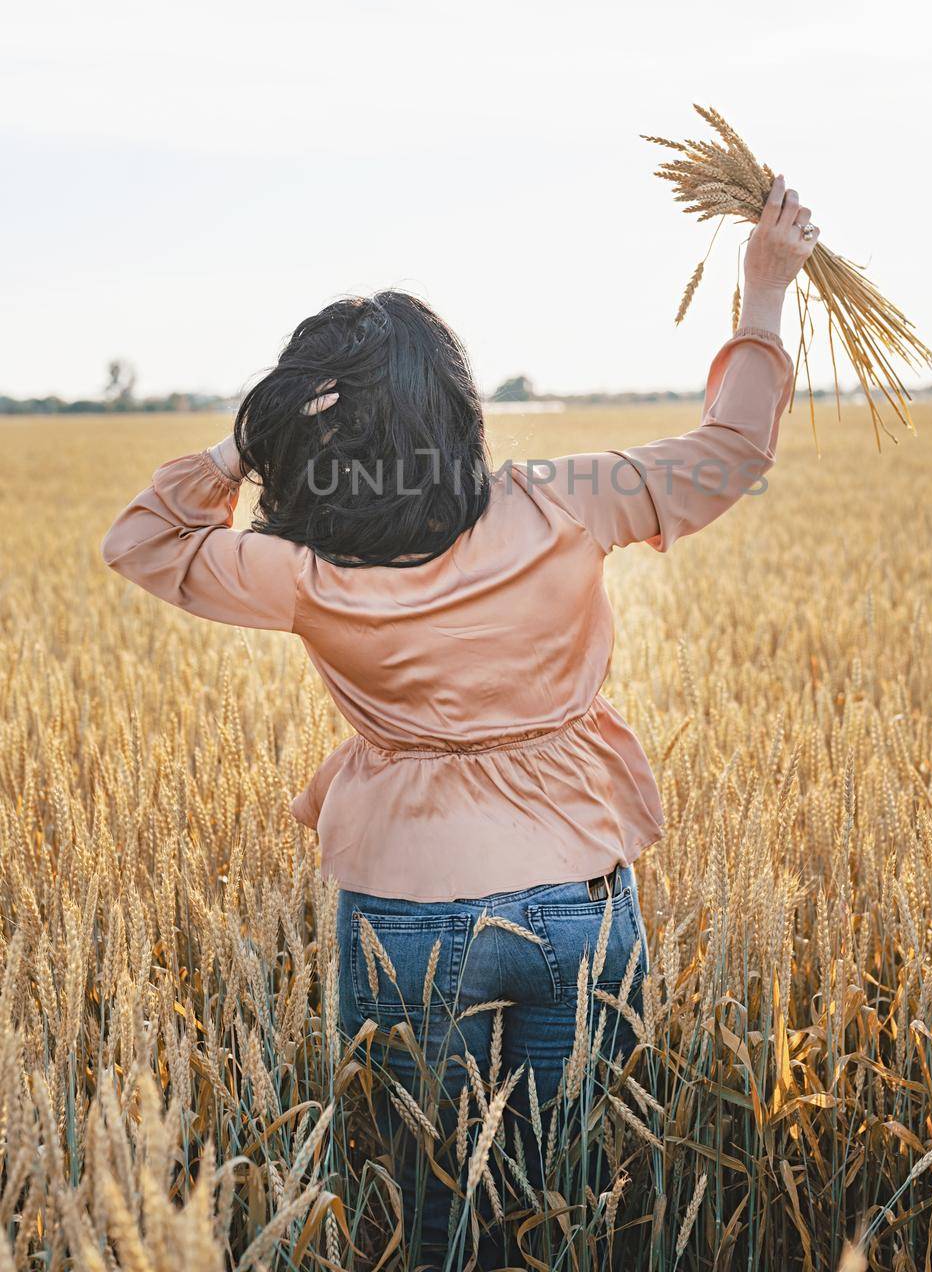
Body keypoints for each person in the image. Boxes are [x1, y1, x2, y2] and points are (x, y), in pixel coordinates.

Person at [101, 176, 817, 1259]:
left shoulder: (303, 571)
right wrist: (762, 293)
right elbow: (733, 449)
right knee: (569, 1196)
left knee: (424, 1214)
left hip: (406, 911)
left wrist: (244, 446)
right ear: (457, 407)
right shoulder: (562, 500)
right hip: (582, 893)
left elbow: (142, 542)